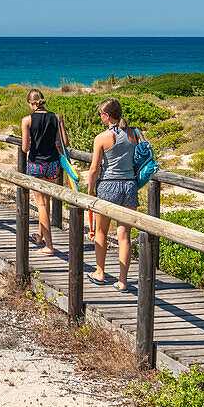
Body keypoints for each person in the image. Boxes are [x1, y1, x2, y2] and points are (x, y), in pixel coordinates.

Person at [86, 97, 139, 291]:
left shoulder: (102, 138)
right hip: (130, 186)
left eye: (100, 114)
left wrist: (90, 190)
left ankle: (100, 272)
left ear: (107, 116)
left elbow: (94, 168)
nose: (100, 117)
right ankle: (123, 281)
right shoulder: (135, 132)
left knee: (101, 231)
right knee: (124, 235)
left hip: (109, 186)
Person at [20, 89, 68, 255]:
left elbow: (25, 148)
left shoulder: (27, 120)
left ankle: (49, 245)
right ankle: (40, 235)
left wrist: (35, 141)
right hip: (53, 163)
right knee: (46, 201)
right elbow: (65, 142)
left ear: (31, 103)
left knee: (41, 204)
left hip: (36, 164)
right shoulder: (57, 117)